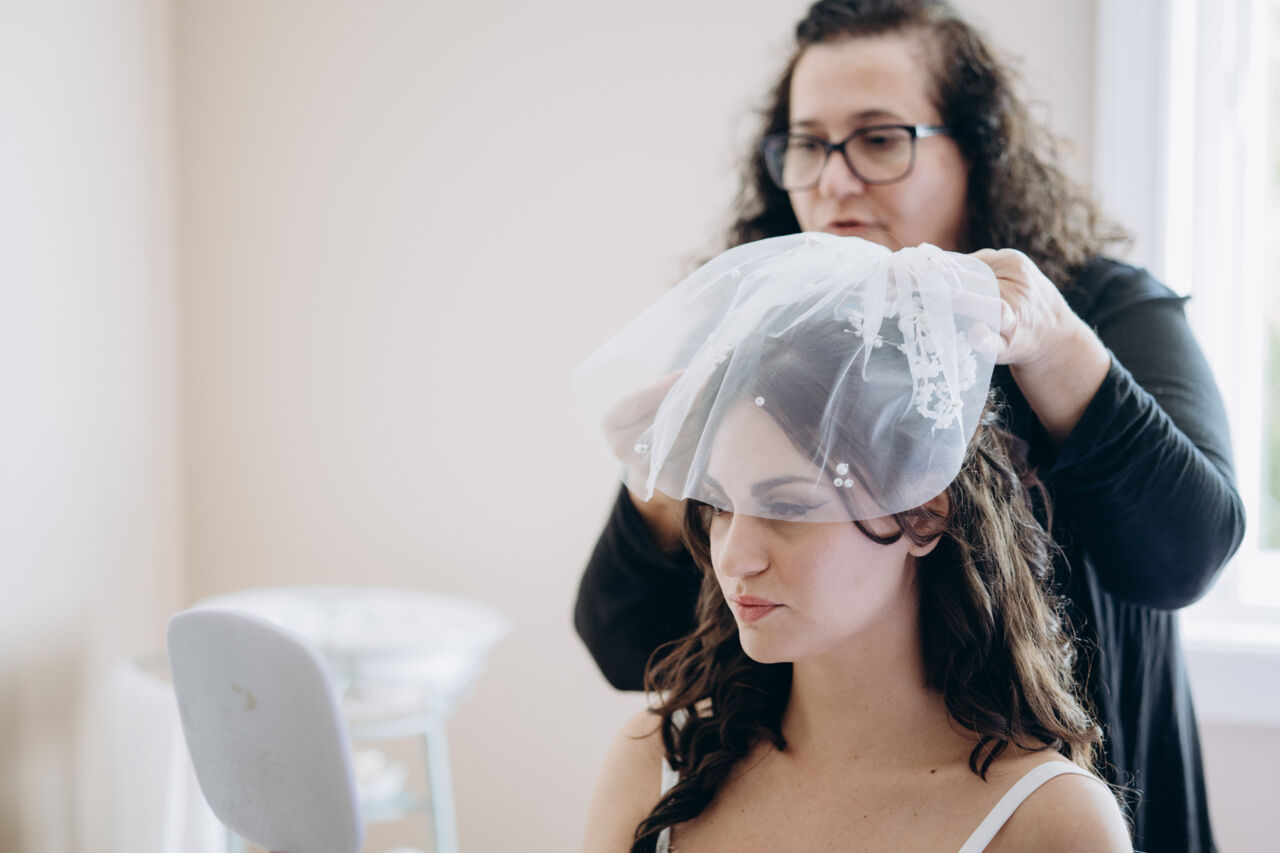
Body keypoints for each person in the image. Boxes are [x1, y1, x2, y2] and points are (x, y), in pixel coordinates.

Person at [573, 2, 1245, 851]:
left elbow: (1186, 552)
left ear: (978, 153)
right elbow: (624, 640)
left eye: (880, 139)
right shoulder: (760, 350)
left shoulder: (1103, 310)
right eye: (808, 143)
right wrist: (682, 465)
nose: (834, 181)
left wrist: (1051, 341)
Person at [576, 235, 1133, 851]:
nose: (733, 558)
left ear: (923, 513)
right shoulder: (656, 764)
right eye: (719, 505)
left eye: (788, 507)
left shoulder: (1048, 819)